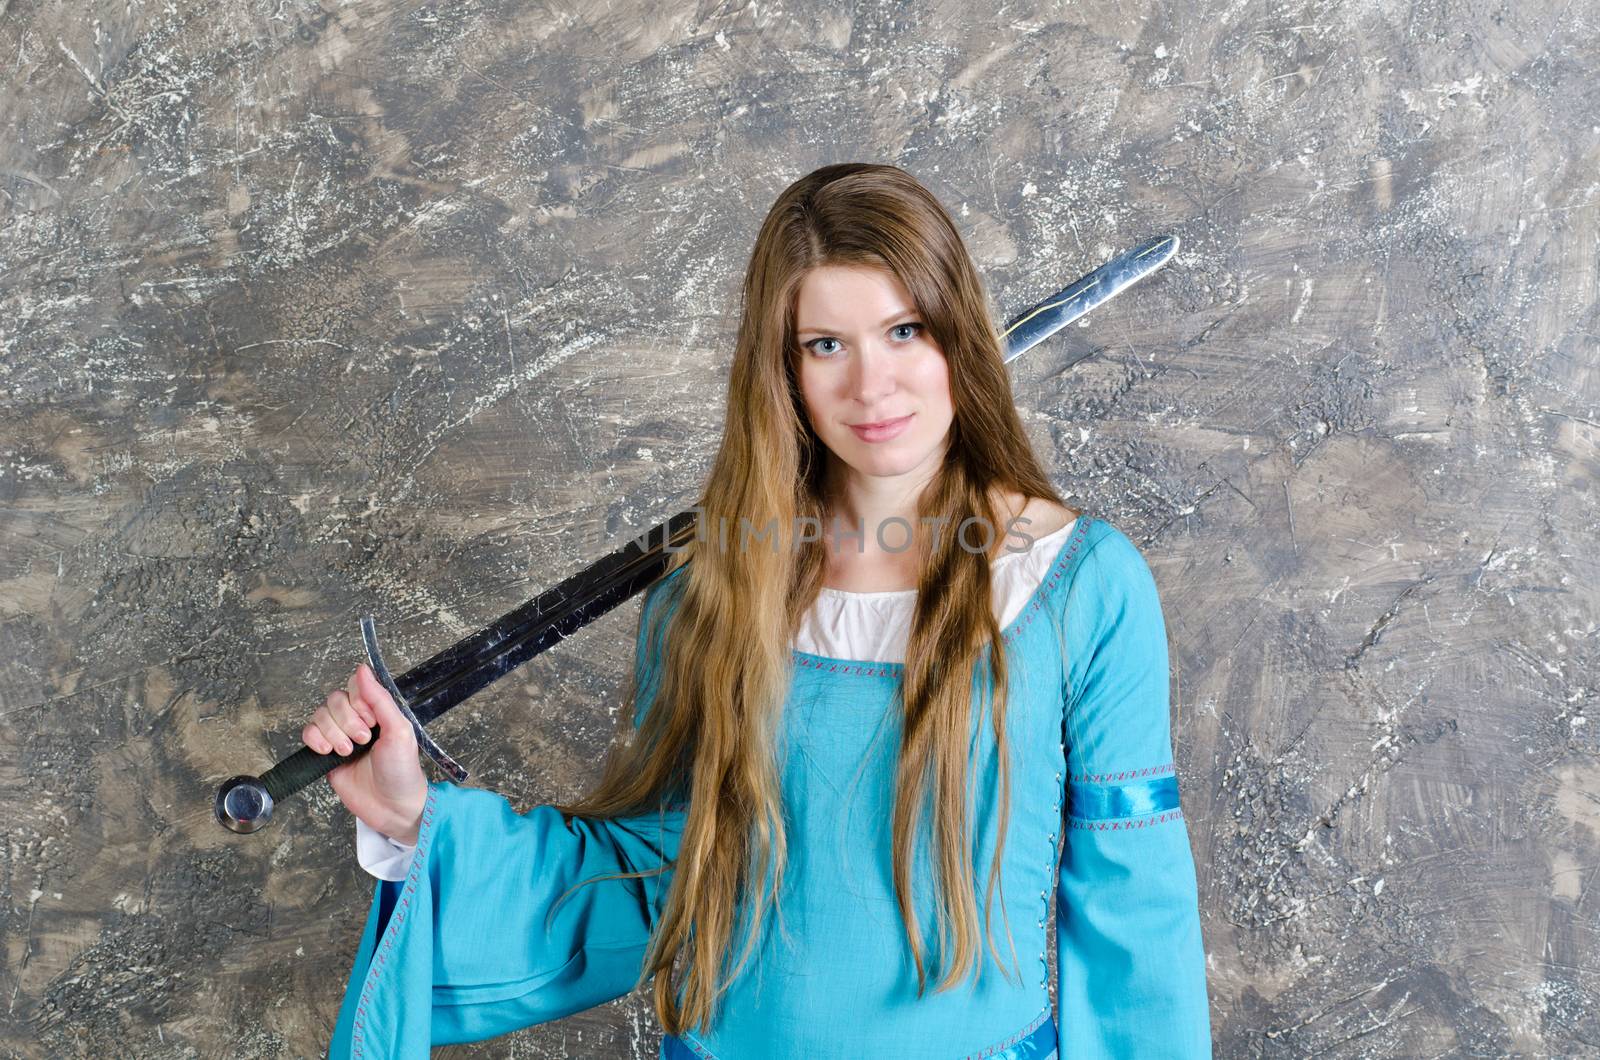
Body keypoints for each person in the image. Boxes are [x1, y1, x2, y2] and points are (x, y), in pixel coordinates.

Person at [304, 162, 1212, 1058]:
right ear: (782, 373)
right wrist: (415, 815)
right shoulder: (710, 589)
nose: (873, 387)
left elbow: (1134, 910)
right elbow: (655, 876)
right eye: (826, 345)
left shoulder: (1081, 584)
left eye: (904, 330)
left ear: (957, 337)